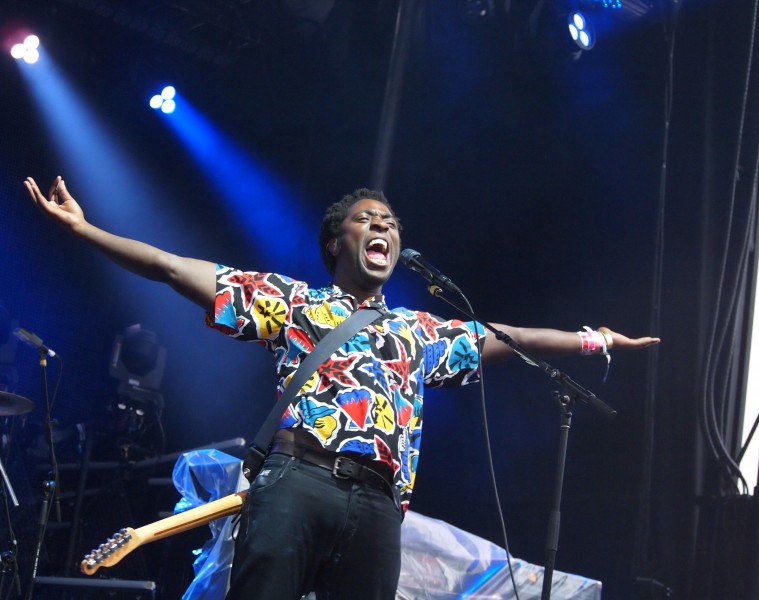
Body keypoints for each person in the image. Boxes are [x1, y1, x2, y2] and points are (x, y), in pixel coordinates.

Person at [23, 176, 659, 600]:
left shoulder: (418, 331)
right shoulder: (296, 302)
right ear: (337, 241)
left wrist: (593, 339)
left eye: (391, 221)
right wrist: (85, 230)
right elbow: (170, 267)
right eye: (366, 218)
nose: (384, 226)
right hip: (298, 479)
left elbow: (510, 335)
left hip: (380, 505)